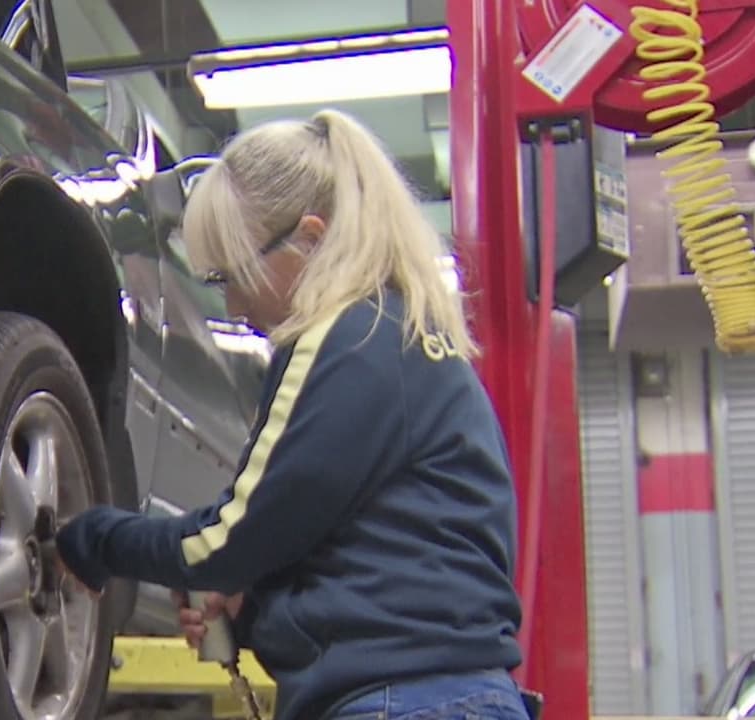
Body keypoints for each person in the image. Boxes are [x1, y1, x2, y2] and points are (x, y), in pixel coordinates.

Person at [54, 108, 531, 720]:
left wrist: (93, 538)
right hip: (464, 697)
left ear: (309, 238)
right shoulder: (415, 343)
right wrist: (253, 612)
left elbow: (225, 540)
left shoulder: (341, 342)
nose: (232, 303)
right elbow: (389, 560)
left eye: (233, 273)